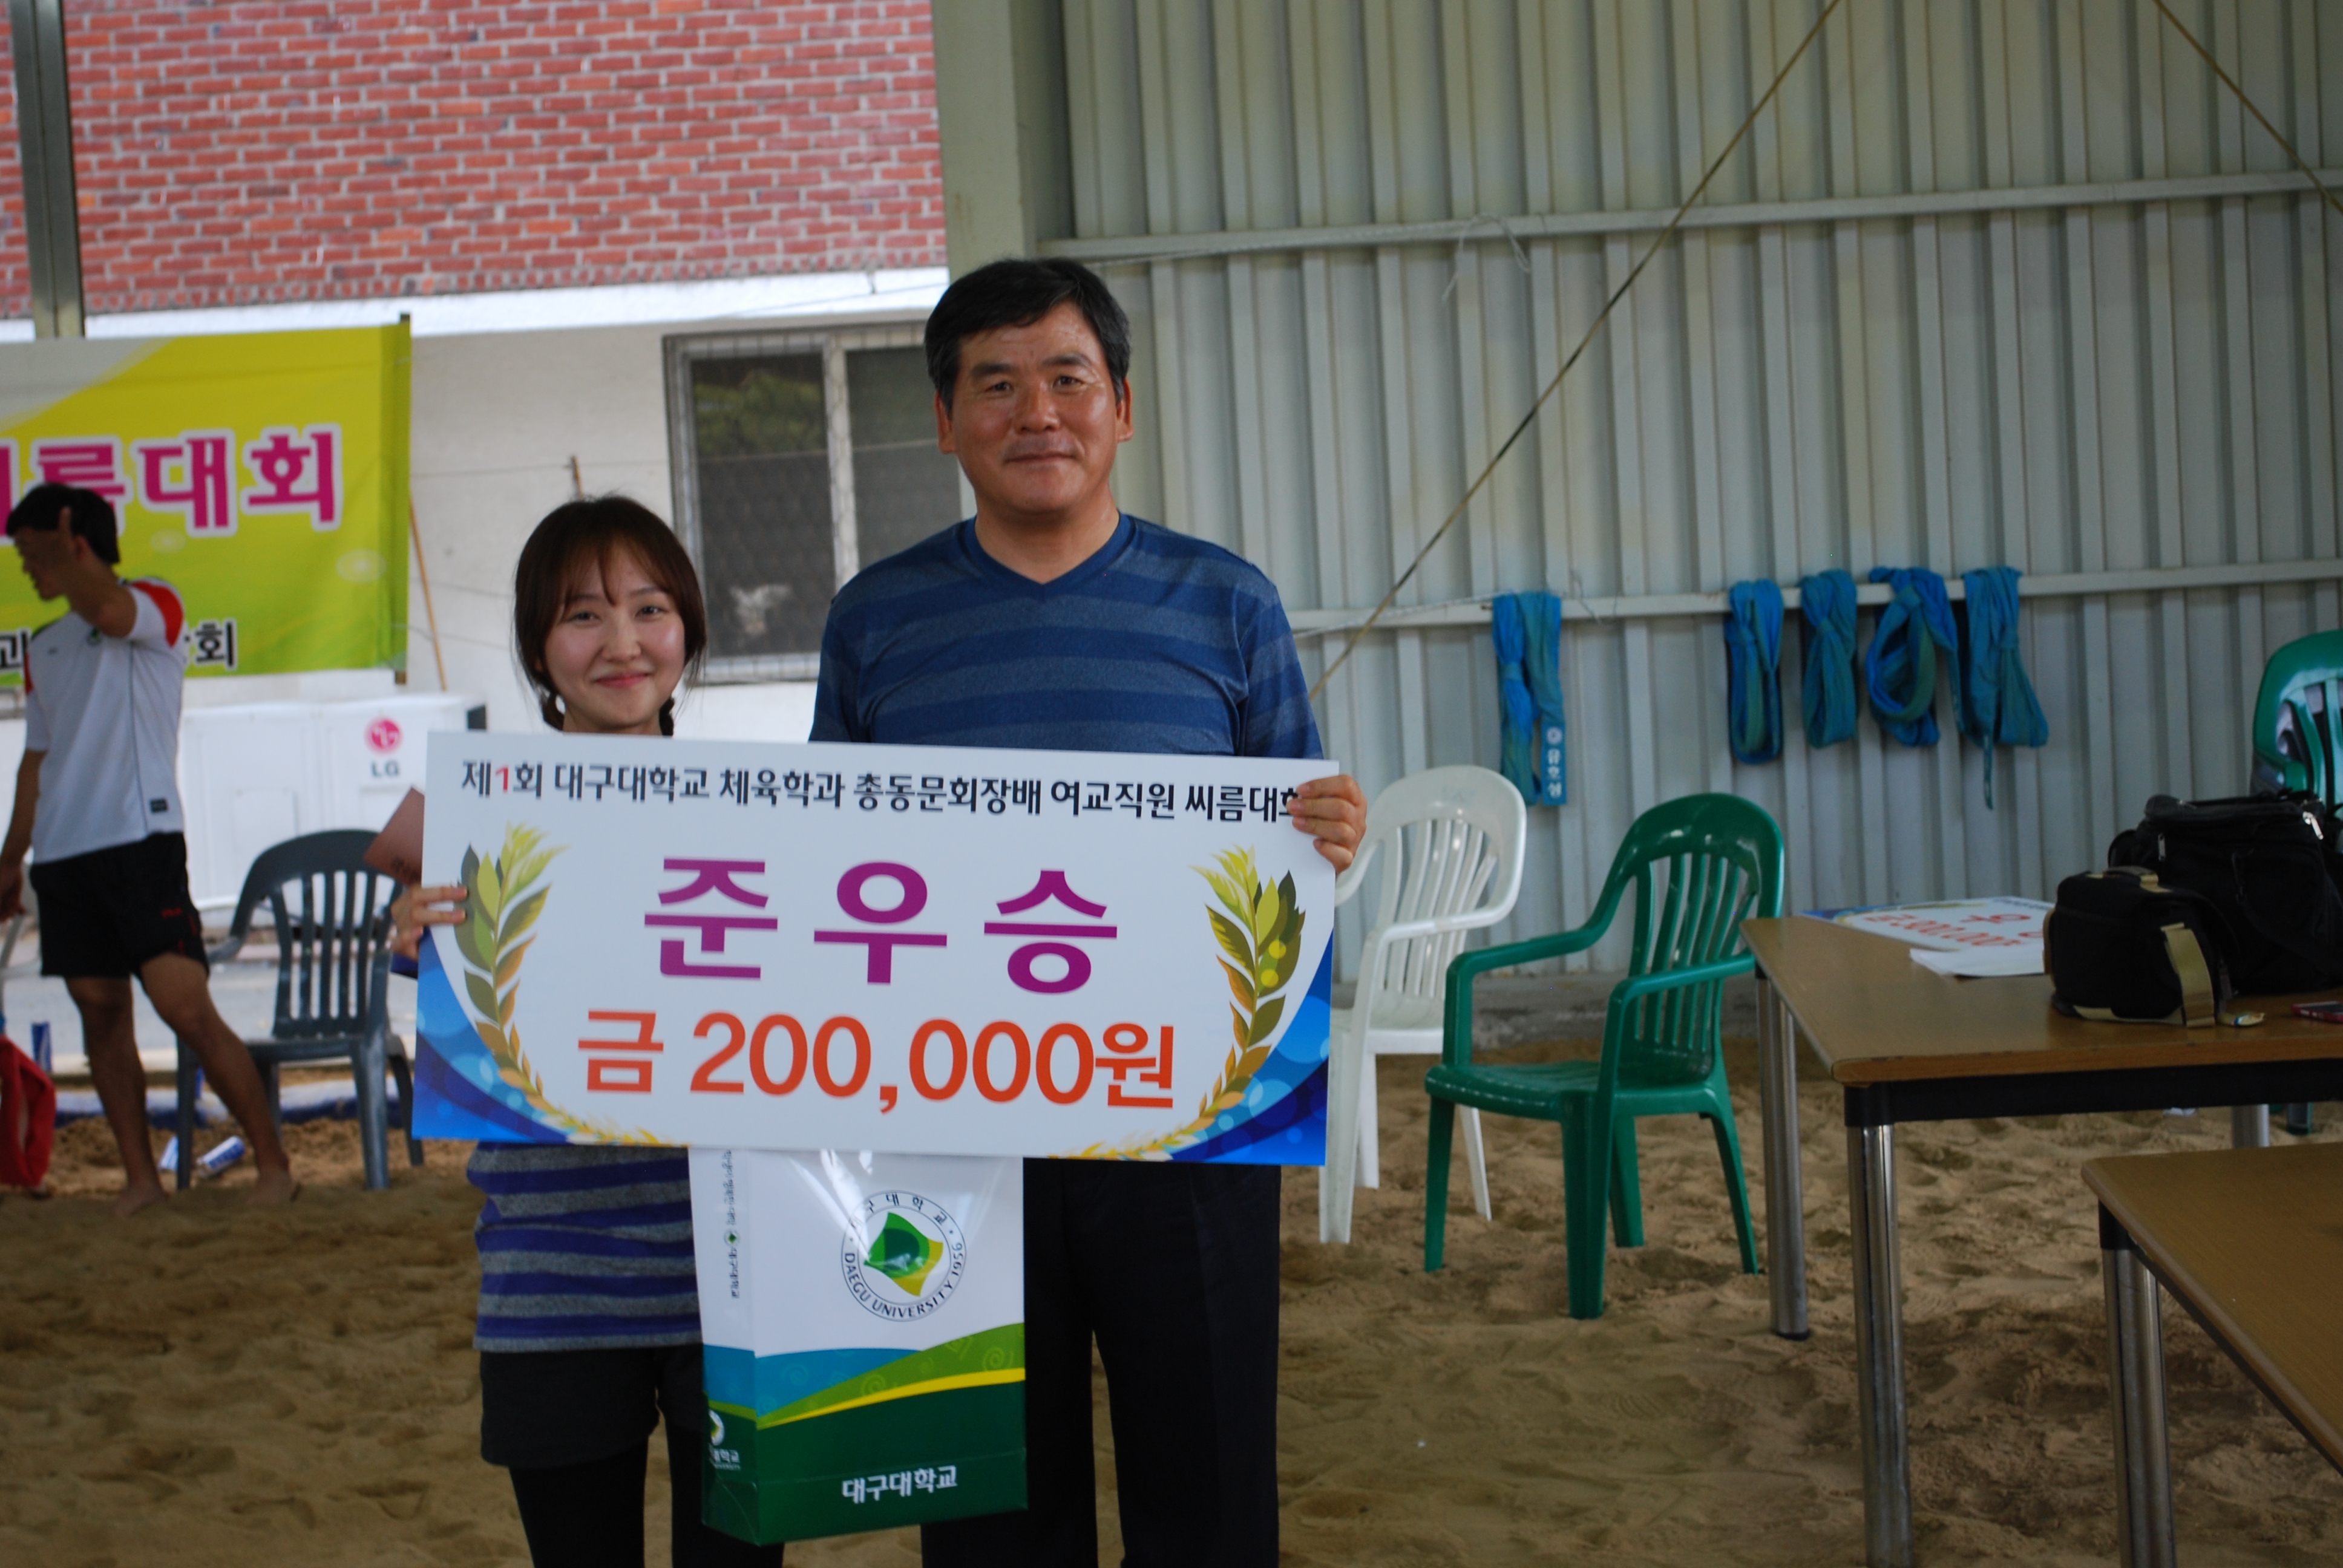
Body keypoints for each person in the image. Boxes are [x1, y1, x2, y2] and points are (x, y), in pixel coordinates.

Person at [812, 257, 1368, 1567]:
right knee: (991, 1510)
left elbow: (1297, 871)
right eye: (994, 386)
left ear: (1122, 403)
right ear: (945, 420)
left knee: (1208, 1488)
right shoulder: (875, 619)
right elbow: (827, 871)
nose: (1036, 414)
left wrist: (1332, 842)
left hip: (1190, 1125)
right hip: (948, 1130)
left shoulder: (1228, 604)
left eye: (1067, 378)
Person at [393, 497, 784, 1568]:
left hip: (743, 1278)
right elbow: (457, 1035)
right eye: (582, 615)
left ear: (690, 628)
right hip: (553, 1281)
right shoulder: (481, 822)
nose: (622, 643)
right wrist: (418, 929)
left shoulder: (769, 814)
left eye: (651, 609)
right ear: (537, 647)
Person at [0, 483, 296, 1216]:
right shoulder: (44, 646)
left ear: (74, 543)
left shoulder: (153, 604)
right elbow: (36, 760)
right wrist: (10, 859)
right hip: (63, 854)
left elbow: (106, 610)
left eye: (35, 553)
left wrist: (69, 560)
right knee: (99, 1012)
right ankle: (141, 1180)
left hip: (141, 840)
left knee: (183, 1007)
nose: (28, 569)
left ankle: (274, 1165)